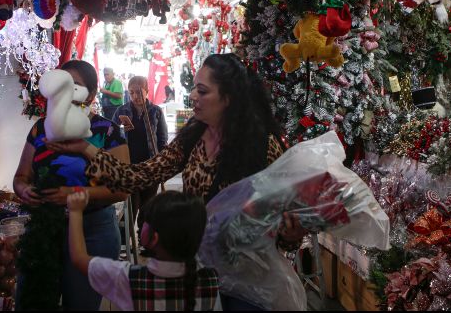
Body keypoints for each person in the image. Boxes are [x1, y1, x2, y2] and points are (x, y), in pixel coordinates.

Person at [45, 53, 306, 310]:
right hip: (199, 277)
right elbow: (139, 176)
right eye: (194, 87)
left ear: (228, 98)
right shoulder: (192, 137)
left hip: (249, 285)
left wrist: (291, 236)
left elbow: (281, 223)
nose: (192, 95)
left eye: (202, 91)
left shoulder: (263, 147)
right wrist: (85, 149)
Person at [13, 60, 129, 311]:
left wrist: (75, 194)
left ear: (92, 93)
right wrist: (24, 190)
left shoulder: (107, 131)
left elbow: (122, 188)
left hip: (93, 232)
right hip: (44, 228)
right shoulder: (41, 128)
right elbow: (21, 177)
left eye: (74, 86)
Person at [67, 189, 220, 311]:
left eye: (146, 220)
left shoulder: (128, 279)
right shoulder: (211, 279)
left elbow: (79, 258)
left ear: (154, 238)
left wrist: (75, 211)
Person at [113, 76, 168, 224]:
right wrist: (122, 130)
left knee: (148, 206)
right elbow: (112, 137)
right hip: (130, 166)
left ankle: (145, 240)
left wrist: (161, 163)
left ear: (147, 91)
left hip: (150, 166)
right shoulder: (121, 111)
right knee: (132, 206)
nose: (135, 96)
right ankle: (127, 240)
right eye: (131, 93)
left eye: (139, 92)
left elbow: (162, 139)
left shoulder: (156, 111)